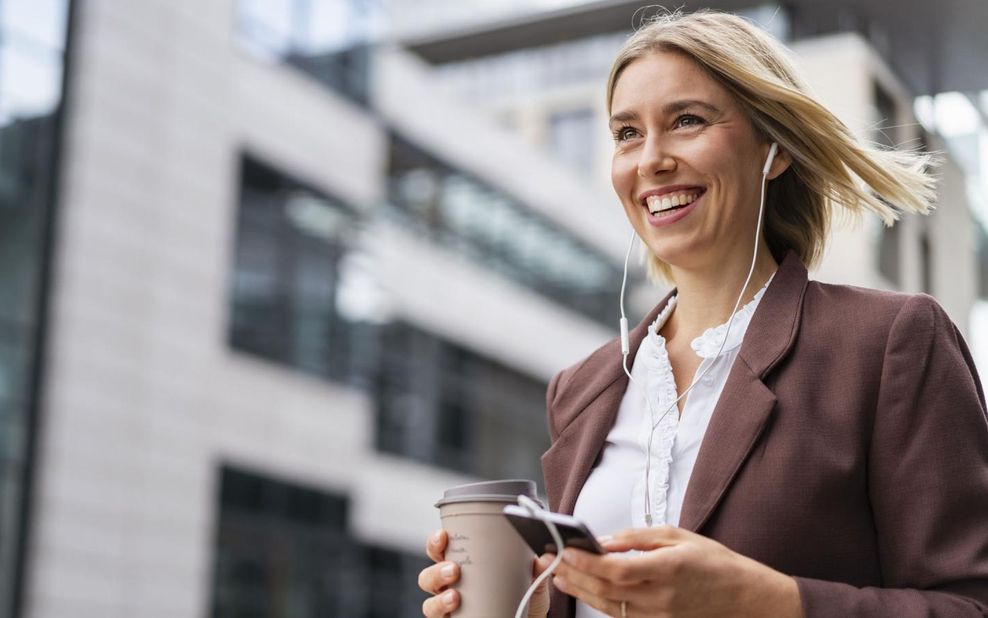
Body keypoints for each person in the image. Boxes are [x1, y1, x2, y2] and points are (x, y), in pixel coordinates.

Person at [418, 9, 988, 618]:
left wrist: (765, 601)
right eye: (627, 133)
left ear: (773, 148)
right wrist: (535, 607)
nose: (650, 160)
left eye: (686, 120)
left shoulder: (889, 345)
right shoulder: (583, 387)